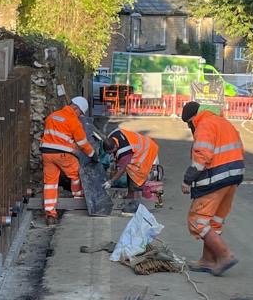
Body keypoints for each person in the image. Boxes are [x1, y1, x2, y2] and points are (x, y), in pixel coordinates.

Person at [180, 99, 243, 274]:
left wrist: (187, 180)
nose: (190, 128)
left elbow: (202, 156)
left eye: (188, 124)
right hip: (233, 176)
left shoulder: (204, 125)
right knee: (214, 222)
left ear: (192, 118)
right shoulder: (223, 122)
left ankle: (224, 255)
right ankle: (207, 260)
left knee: (197, 221)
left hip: (216, 178)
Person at [40, 95, 96, 223]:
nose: (80, 116)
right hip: (63, 154)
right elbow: (82, 143)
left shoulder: (52, 115)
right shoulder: (73, 121)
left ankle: (50, 213)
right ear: (77, 109)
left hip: (47, 154)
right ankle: (77, 197)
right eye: (80, 113)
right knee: (76, 174)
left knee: (50, 183)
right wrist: (92, 154)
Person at [102, 127, 164, 207]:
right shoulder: (113, 135)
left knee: (137, 180)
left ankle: (155, 195)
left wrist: (111, 181)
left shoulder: (124, 151)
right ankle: (130, 197)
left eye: (111, 152)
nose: (110, 154)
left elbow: (121, 170)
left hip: (147, 152)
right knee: (131, 174)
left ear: (115, 147)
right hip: (144, 145)